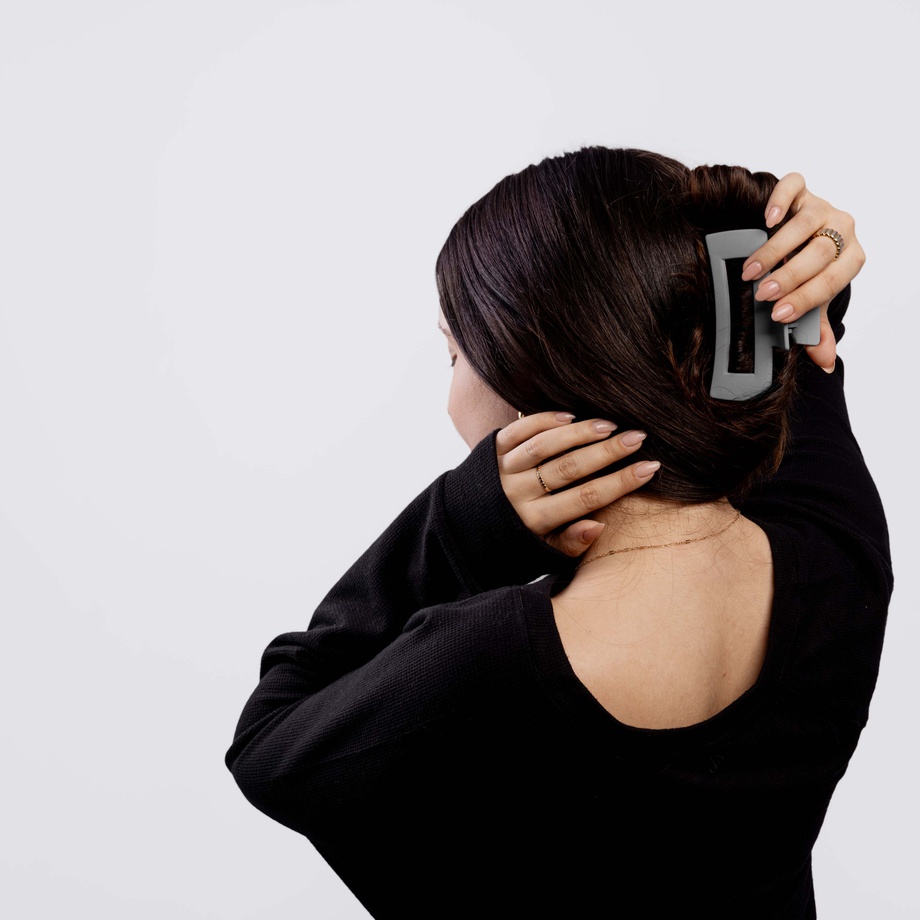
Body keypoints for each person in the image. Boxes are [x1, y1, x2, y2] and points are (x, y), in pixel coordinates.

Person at [225, 148, 891, 919]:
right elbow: (791, 358)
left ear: (524, 392)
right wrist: (799, 266)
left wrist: (464, 522)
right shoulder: (834, 556)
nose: (449, 393)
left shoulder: (480, 665)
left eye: (454, 353)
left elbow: (270, 739)